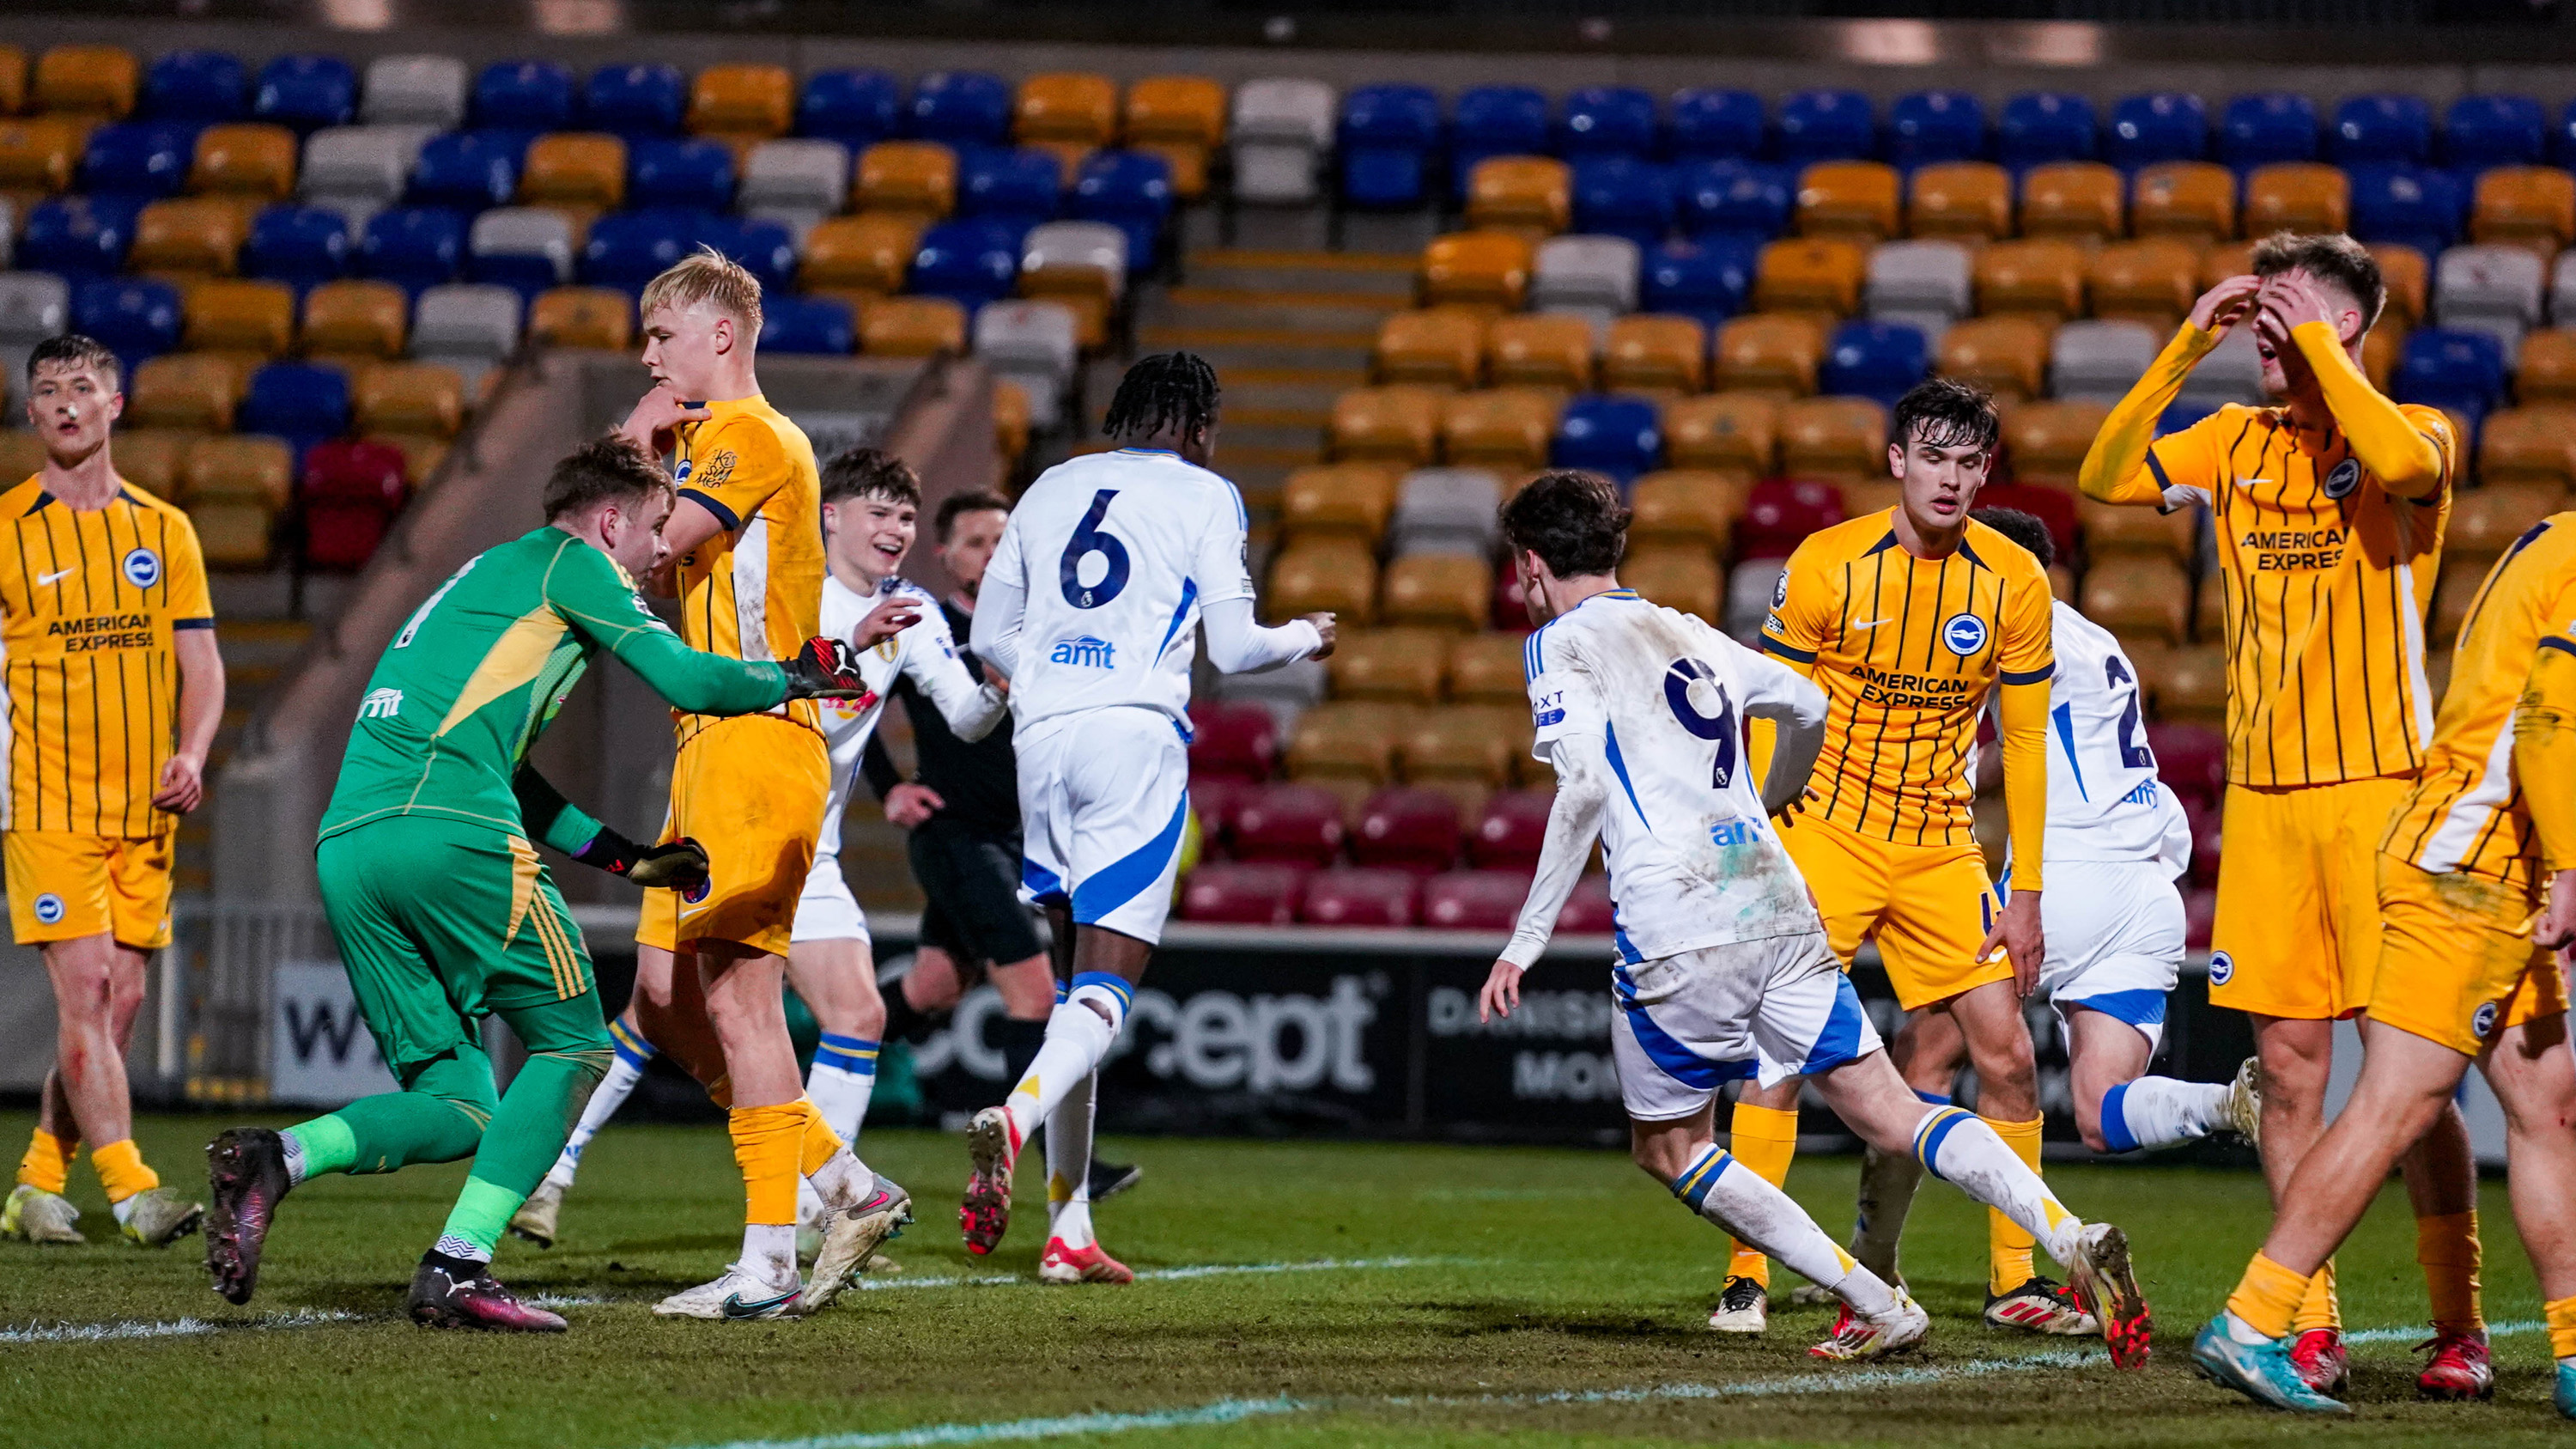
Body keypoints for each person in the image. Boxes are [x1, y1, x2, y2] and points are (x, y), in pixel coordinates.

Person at [197, 435, 881, 1329]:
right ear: (609, 521)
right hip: (449, 829)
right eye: (652, 530)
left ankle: (277, 1156)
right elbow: (681, 676)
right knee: (575, 1047)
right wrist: (791, 676)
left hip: (354, 844)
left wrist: (630, 860)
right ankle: (458, 1264)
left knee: (460, 1102)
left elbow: (513, 774)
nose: (656, 556)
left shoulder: (494, 577)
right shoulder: (576, 563)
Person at [1478, 470, 2150, 1367]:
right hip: (1778, 899)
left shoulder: (1557, 644)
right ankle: (2066, 1232)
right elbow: (1807, 704)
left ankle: (1862, 1297)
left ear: (1530, 565)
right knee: (1890, 1107)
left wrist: (1524, 940)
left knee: (1672, 1147)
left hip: (1679, 920)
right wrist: (1775, 793)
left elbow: (1585, 787)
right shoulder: (1686, 629)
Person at [2079, 230, 2487, 1397]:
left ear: (2353, 327)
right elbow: (2109, 474)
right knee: (2292, 1072)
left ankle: (2457, 1321)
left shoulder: (2414, 434)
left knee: (2411, 1083)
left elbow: (2403, 460)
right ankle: (2310, 1323)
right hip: (2263, 807)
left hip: (2380, 795)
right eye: (2267, 315)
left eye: (2298, 311)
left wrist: (2315, 335)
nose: (2271, 332)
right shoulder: (2235, 440)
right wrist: (2182, 347)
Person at [509, 450, 1003, 1251]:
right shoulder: (787, 588)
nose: (896, 530)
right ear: (830, 516)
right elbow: (767, 686)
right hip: (739, 814)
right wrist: (847, 638)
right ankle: (572, 1170)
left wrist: (1010, 673)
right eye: (878, 512)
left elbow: (968, 716)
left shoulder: (911, 610)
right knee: (671, 1013)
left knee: (841, 1012)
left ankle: (815, 1213)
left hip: (811, 843)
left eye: (907, 517)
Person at [958, 352, 1333, 1281]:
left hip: (1040, 741)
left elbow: (986, 636)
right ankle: (1013, 1114)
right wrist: (1311, 636)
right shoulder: (1207, 495)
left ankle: (1067, 1229)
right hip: (1132, 741)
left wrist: (1049, 671)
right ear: (1200, 426)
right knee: (1105, 993)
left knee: (1073, 994)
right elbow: (1241, 647)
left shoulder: (1048, 487)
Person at [2194, 510, 2576, 1415]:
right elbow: (2551, 717)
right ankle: (2252, 1321)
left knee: (2547, 1103)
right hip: (2473, 866)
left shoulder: (2553, 539)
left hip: (2480, 857)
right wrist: (2570, 861)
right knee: (2394, 1104)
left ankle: (2573, 1352)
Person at [1719, 379, 2067, 1339]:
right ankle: (1746, 1276)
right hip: (1822, 834)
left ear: (1983, 472)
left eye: (1970, 463)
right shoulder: (1828, 564)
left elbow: (2027, 743)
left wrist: (2024, 886)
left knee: (2007, 1053)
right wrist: (1755, 840)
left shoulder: (2014, 580)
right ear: (1897, 461)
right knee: (1777, 1056)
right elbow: (1770, 710)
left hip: (1941, 849)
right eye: (1936, 458)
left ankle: (2013, 1280)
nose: (1952, 479)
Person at [604, 245, 914, 1320]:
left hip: (753, 739)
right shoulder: (709, 438)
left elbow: (649, 545)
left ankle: (769, 1259)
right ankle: (848, 1182)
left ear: (720, 337)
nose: (650, 357)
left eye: (662, 337)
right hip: (705, 749)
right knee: (662, 995)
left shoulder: (746, 435)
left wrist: (634, 441)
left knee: (740, 997)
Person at [862, 492, 1145, 1215]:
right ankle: (1047, 1168)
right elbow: (856, 706)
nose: (992, 554)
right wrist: (891, 790)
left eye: (1002, 540)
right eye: (976, 542)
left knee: (930, 988)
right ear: (946, 555)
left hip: (1018, 840)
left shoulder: (1035, 629)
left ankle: (802, 1077)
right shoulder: (929, 628)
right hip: (958, 838)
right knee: (1034, 995)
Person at [0, 334, 221, 1249]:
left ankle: (37, 1183)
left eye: (82, 387)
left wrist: (197, 752)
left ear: (114, 405)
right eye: (48, 389)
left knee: (119, 1005)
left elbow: (201, 664)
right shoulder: (6, 527)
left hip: (146, 810)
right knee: (86, 987)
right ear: (30, 411)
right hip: (47, 803)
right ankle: (135, 1193)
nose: (64, 402)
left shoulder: (163, 529)